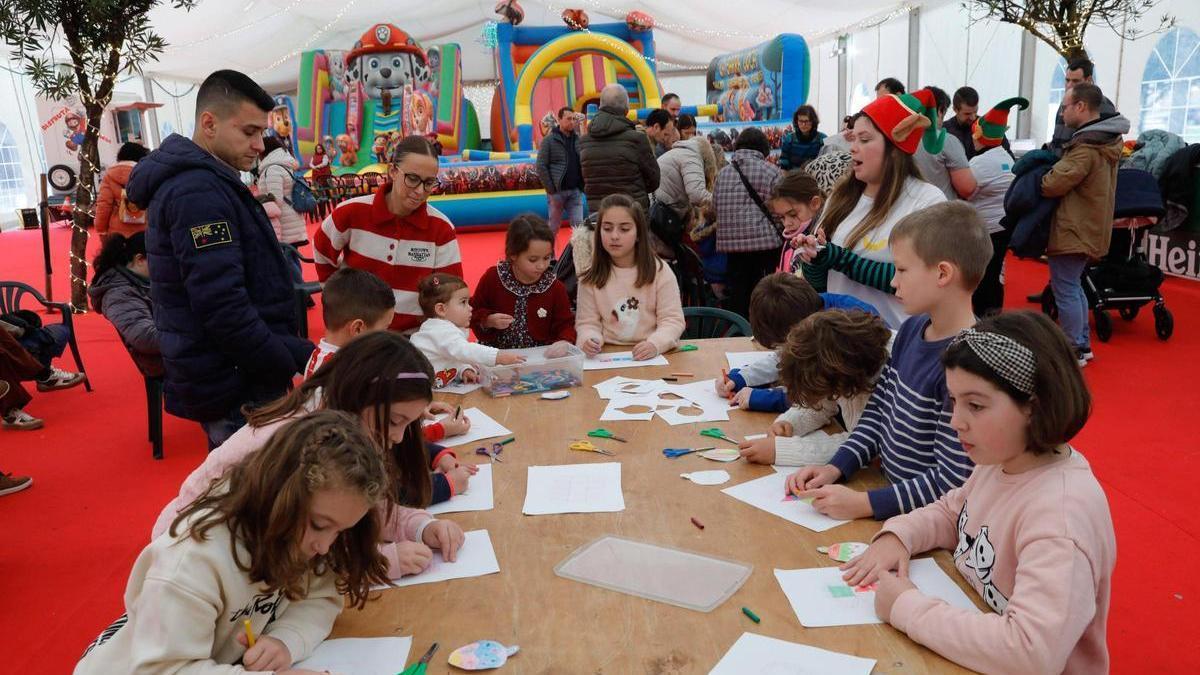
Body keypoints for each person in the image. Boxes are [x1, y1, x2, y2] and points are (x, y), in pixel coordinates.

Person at [842, 311, 1114, 674]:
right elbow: (952, 512)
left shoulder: (1061, 519)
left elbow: (1030, 652)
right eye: (954, 401)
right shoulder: (998, 459)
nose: (956, 421)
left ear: (1033, 407)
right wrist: (900, 535)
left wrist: (907, 607)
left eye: (975, 405)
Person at [77, 411, 391, 674]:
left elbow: (321, 598)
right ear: (279, 495)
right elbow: (163, 670)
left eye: (339, 531)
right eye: (321, 526)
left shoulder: (306, 526)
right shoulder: (192, 561)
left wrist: (286, 640)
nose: (324, 546)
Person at [150, 332, 469, 574]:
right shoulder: (300, 444)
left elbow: (359, 505)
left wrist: (420, 527)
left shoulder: (340, 420)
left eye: (408, 424)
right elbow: (298, 548)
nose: (398, 438)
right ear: (361, 394)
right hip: (193, 554)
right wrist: (379, 560)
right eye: (396, 421)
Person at [126, 69, 315, 450]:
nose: (260, 144)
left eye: (261, 132)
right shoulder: (197, 191)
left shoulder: (207, 181)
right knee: (259, 495)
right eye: (249, 132)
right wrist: (287, 357)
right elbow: (222, 306)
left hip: (235, 369)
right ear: (209, 123)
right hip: (235, 378)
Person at [786, 201, 990, 521]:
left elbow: (953, 479)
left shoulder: (969, 364)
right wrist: (838, 465)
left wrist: (866, 504)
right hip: (892, 502)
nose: (894, 282)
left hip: (929, 525)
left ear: (942, 273)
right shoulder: (911, 330)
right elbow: (879, 409)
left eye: (902, 270)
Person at [797, 94, 946, 328]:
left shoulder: (926, 201)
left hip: (895, 344)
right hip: (840, 339)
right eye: (853, 138)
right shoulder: (840, 197)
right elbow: (822, 286)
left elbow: (918, 280)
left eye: (865, 140)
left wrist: (841, 259)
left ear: (895, 148)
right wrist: (814, 260)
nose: (853, 148)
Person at [313, 135, 463, 333]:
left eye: (428, 183)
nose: (420, 191)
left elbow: (451, 293)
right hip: (357, 335)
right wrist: (336, 301)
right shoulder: (351, 212)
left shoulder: (441, 228)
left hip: (413, 340)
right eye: (412, 179)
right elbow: (322, 249)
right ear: (392, 171)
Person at [1041, 83, 1129, 365]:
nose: (1062, 112)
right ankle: (1081, 344)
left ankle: (1073, 348)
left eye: (1065, 106)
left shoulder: (1085, 149)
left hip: (1074, 229)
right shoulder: (1105, 144)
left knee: (1065, 288)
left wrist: (1045, 174)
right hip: (1088, 228)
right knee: (1073, 286)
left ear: (1081, 107)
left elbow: (1052, 184)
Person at [738, 309, 893, 466]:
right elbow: (823, 403)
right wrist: (790, 423)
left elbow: (863, 444)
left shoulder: (888, 375)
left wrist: (782, 451)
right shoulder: (838, 362)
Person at [720, 272, 878, 414]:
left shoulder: (841, 336)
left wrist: (765, 398)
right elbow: (784, 358)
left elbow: (822, 398)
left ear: (796, 331)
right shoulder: (806, 309)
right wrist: (740, 378)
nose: (783, 352)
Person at [575, 194, 685, 360]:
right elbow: (587, 323)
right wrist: (589, 339)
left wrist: (655, 344)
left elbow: (672, 320)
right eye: (607, 228)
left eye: (624, 229)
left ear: (639, 234)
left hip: (654, 354)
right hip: (606, 357)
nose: (614, 236)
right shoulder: (590, 277)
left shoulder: (660, 272)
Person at [471, 214, 576, 351]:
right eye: (533, 259)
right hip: (497, 356)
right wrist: (488, 320)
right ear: (513, 254)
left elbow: (566, 324)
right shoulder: (493, 278)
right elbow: (472, 312)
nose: (541, 266)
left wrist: (564, 341)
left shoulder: (554, 287)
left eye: (546, 258)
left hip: (540, 358)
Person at [715, 127, 784, 319]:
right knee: (764, 293)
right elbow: (780, 211)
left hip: (732, 249)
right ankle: (762, 332)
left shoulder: (722, 174)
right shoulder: (772, 172)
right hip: (765, 247)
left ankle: (739, 333)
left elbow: (715, 207)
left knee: (739, 294)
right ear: (763, 148)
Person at [410, 273, 525, 389]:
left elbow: (449, 358)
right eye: (463, 302)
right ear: (441, 309)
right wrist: (498, 357)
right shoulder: (440, 330)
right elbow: (464, 350)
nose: (470, 308)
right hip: (414, 392)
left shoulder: (445, 330)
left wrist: (464, 370)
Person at [968, 97, 1028, 316]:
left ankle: (984, 321)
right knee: (996, 275)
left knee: (983, 277)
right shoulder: (1005, 157)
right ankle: (994, 318)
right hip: (1003, 226)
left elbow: (965, 191)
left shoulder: (979, 163)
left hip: (984, 230)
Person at [88, 232, 162, 377]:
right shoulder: (118, 293)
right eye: (160, 260)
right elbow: (145, 338)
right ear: (140, 259)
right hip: (167, 362)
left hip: (178, 351)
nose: (166, 266)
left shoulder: (141, 280)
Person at [578, 84, 660, 214]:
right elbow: (654, 179)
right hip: (633, 212)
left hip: (600, 214)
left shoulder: (583, 142)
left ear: (600, 106)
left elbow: (580, 180)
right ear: (626, 109)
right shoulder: (637, 139)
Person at [304, 267, 396, 379]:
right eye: (385, 328)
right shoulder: (350, 374)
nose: (387, 335)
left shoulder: (320, 357)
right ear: (357, 328)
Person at [913, 87, 976, 201]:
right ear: (940, 110)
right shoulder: (946, 140)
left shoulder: (898, 139)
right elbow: (967, 188)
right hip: (940, 212)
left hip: (905, 213)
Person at [536, 106, 586, 242]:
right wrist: (550, 189)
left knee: (579, 229)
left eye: (573, 119)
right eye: (568, 119)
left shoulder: (577, 139)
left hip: (575, 191)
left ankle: (579, 258)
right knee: (553, 228)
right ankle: (549, 258)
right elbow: (540, 165)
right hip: (557, 192)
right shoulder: (549, 140)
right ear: (559, 119)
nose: (572, 122)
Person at [1049, 58, 1117, 156]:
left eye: (1075, 81)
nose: (1069, 85)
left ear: (1088, 80)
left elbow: (1100, 147)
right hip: (1057, 164)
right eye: (1067, 80)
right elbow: (1057, 139)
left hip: (1076, 166)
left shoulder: (1104, 106)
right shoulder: (1065, 103)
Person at [257, 134, 308, 250]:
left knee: (288, 263)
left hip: (284, 225)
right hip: (291, 219)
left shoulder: (272, 169)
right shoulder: (282, 165)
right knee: (292, 258)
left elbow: (276, 200)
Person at [770, 171, 826, 273]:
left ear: (815, 203)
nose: (787, 223)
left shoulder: (826, 239)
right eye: (781, 217)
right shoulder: (790, 241)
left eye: (792, 215)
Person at [94, 141, 150, 241]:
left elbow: (103, 206)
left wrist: (101, 230)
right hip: (145, 233)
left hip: (117, 236)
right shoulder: (147, 175)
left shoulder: (109, 176)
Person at [942, 86, 1014, 160]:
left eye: (975, 112)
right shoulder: (944, 131)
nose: (973, 117)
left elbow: (1008, 157)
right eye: (967, 114)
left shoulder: (989, 127)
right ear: (955, 109)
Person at [779, 105, 825, 170]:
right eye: (800, 121)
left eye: (806, 121)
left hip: (815, 177)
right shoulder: (789, 139)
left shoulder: (822, 139)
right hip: (794, 177)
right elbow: (784, 165)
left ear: (813, 121)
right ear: (796, 122)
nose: (803, 124)